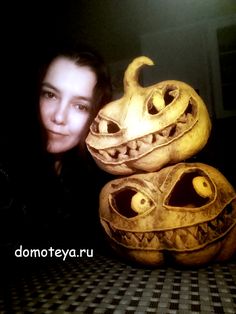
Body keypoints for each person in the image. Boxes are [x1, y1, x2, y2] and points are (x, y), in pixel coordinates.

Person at [1, 42, 113, 258]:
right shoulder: (5, 170)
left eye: (80, 106)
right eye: (50, 95)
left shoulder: (91, 177)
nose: (59, 117)